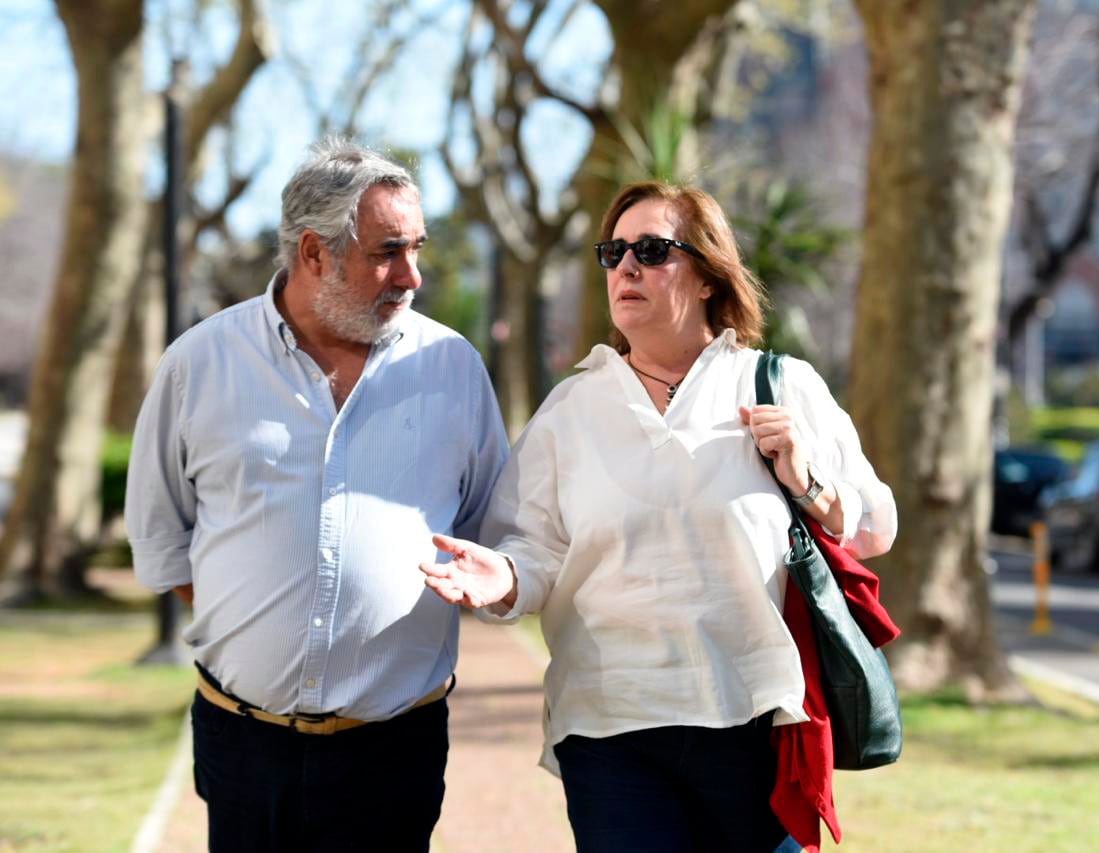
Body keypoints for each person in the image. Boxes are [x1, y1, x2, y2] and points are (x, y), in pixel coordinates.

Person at [421, 180, 896, 852]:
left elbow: (877, 526)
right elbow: (532, 552)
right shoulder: (571, 409)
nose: (626, 268)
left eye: (650, 249)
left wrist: (809, 478)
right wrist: (500, 576)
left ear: (707, 274)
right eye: (612, 252)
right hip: (611, 728)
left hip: (753, 721)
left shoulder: (780, 384)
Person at [125, 138, 508, 852]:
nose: (413, 275)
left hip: (397, 747)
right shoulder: (198, 364)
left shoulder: (454, 367)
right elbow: (162, 538)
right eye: (388, 252)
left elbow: (496, 528)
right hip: (243, 744)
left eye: (417, 248)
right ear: (313, 253)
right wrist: (261, 620)